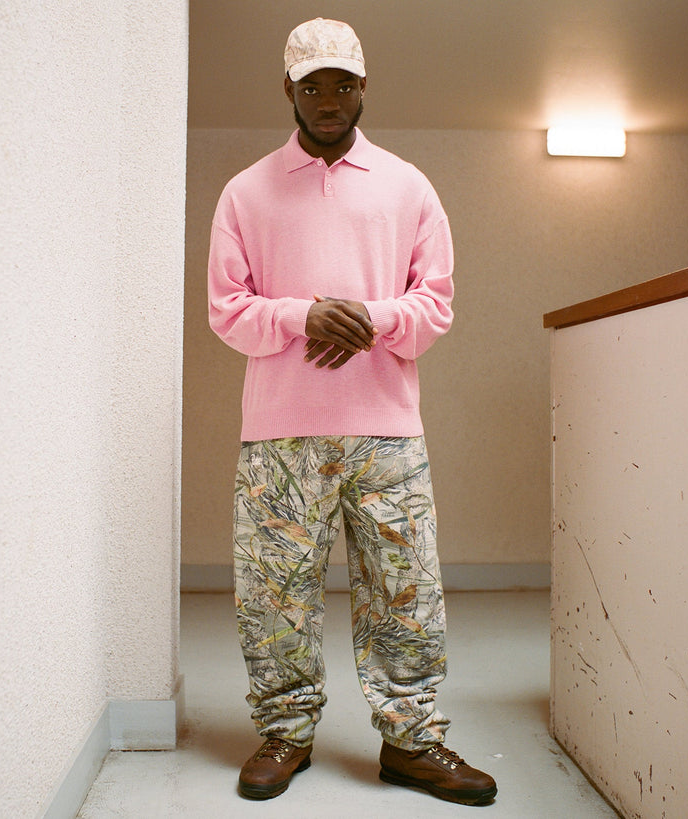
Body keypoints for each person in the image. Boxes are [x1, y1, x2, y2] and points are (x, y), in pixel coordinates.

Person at [207, 17, 497, 807]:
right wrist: (304, 315)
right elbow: (227, 310)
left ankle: (412, 741)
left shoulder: (407, 187)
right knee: (275, 593)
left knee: (404, 589)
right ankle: (285, 732)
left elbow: (433, 306)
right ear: (289, 89)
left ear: (364, 85)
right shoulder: (246, 192)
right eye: (313, 86)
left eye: (342, 84)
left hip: (386, 430)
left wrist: (368, 317)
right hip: (280, 435)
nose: (328, 99)